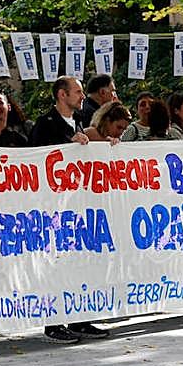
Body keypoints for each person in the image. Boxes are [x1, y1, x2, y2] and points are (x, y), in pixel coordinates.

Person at [30, 77, 107, 343]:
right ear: (62, 95)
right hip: (52, 209)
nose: (82, 96)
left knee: (79, 264)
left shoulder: (77, 123)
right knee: (55, 265)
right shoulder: (45, 124)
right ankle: (53, 324)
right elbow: (36, 160)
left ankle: (79, 318)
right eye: (77, 92)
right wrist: (67, 143)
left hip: (76, 208)